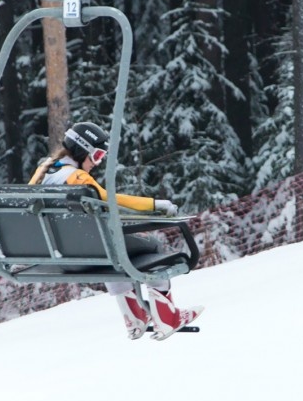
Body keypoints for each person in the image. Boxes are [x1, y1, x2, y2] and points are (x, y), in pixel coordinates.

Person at [29, 120, 203, 340]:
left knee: (111, 252)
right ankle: (167, 318)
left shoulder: (43, 171)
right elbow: (107, 199)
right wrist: (154, 205)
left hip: (60, 254)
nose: (97, 163)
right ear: (83, 149)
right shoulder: (76, 176)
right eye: (97, 155)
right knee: (151, 247)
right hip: (88, 252)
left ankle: (135, 318)